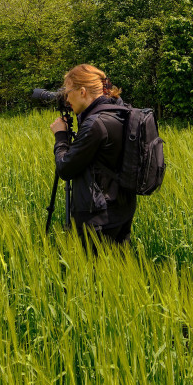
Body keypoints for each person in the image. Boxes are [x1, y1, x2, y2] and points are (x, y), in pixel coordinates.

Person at [50, 64, 136, 250]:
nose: (66, 98)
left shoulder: (95, 123)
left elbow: (65, 168)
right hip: (122, 209)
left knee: (91, 273)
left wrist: (61, 136)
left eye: (67, 91)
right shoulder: (120, 112)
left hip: (97, 216)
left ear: (82, 91)